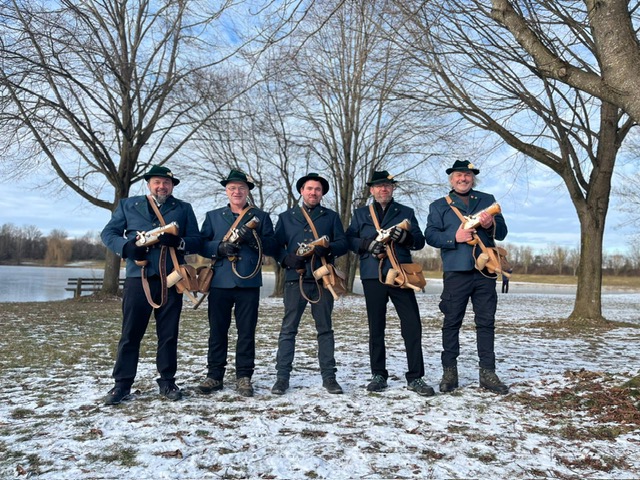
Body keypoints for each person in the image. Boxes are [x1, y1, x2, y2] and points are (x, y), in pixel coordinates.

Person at [101, 165, 201, 405]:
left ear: (172, 186)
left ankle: (167, 381)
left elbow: (197, 240)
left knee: (168, 334)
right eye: (157, 182)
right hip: (139, 278)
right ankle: (122, 384)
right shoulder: (128, 205)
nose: (161, 186)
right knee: (130, 333)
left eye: (166, 183)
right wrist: (127, 247)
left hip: (171, 278)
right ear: (149, 184)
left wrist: (179, 242)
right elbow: (108, 233)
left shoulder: (184, 208)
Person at [346, 171, 435, 396]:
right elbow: (349, 239)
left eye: (387, 185)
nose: (383, 189)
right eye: (378, 186)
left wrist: (405, 238)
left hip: (400, 274)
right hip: (372, 275)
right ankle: (378, 375)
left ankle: (415, 377)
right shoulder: (360, 213)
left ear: (392, 188)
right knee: (376, 326)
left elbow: (419, 241)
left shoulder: (406, 212)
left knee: (412, 325)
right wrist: (367, 245)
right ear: (371, 190)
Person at [425, 160, 509, 394]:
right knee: (451, 322)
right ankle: (449, 372)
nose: (463, 179)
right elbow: (430, 235)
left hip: (485, 271)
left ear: (473, 178)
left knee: (486, 323)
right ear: (451, 179)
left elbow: (502, 233)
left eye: (467, 175)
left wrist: (490, 225)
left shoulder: (487, 200)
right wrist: (454, 238)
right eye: (459, 175)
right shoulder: (438, 205)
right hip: (456, 272)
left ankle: (488, 373)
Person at [197, 169, 277, 397]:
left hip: (248, 281)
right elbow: (201, 245)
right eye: (232, 188)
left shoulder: (261, 217)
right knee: (217, 331)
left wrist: (254, 240)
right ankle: (214, 375)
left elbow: (272, 246)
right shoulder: (213, 216)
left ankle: (244, 376)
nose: (237, 191)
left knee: (246, 332)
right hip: (220, 281)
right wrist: (218, 248)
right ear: (226, 191)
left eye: (241, 188)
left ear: (247, 191)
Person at [271, 172, 348, 395]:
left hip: (323, 279)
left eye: (317, 189)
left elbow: (343, 243)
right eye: (309, 188)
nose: (313, 192)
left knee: (325, 329)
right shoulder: (286, 217)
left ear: (322, 193)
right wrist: (286, 259)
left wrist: (329, 249)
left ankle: (329, 377)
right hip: (295, 279)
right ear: (302, 191)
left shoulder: (331, 217)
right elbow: (275, 246)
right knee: (288, 329)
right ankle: (282, 378)